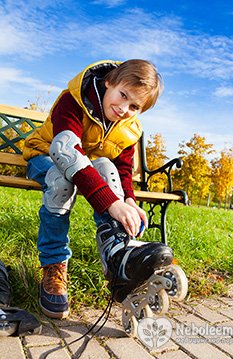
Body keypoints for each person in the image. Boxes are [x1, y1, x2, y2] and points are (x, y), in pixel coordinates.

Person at [23, 59, 174, 319]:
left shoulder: (129, 128)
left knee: (104, 163)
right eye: (122, 95)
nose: (124, 108)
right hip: (45, 156)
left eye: (134, 106)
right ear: (109, 82)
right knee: (62, 179)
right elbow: (66, 152)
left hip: (86, 166)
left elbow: (123, 169)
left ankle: (117, 256)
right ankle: (53, 266)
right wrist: (111, 204)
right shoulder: (73, 100)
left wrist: (127, 200)